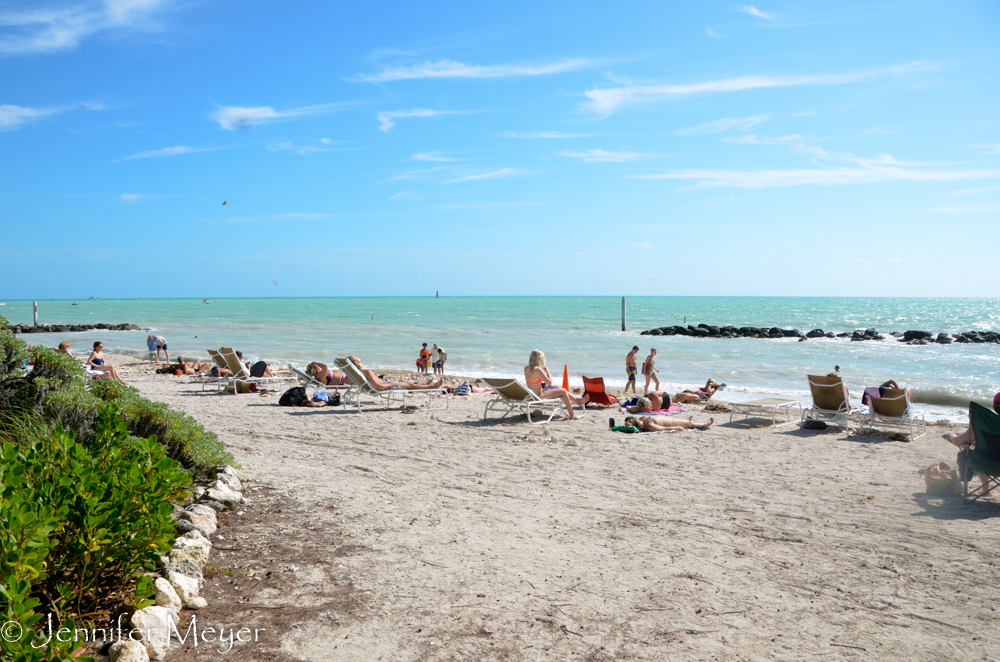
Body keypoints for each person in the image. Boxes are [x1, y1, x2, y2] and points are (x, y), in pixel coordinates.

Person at [943, 392, 1000, 496]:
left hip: (986, 464)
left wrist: (951, 436)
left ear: (994, 406)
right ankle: (985, 489)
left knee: (971, 452)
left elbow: (957, 442)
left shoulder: (982, 426)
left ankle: (985, 489)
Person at [524, 349, 589, 421]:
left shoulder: (526, 368)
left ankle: (573, 397)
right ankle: (572, 414)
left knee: (557, 387)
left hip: (532, 395)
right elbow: (549, 382)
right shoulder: (538, 370)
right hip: (539, 395)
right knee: (563, 391)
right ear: (539, 359)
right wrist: (547, 371)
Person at [348, 356, 443, 390]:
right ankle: (432, 386)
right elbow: (377, 386)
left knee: (408, 383)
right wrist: (390, 384)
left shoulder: (362, 370)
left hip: (386, 383)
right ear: (356, 362)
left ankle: (426, 383)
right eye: (355, 357)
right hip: (387, 385)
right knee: (410, 385)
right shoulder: (366, 371)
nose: (357, 356)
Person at [624, 415, 714, 432]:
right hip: (671, 423)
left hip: (670, 419)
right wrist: (676, 428)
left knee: (685, 421)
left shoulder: (642, 419)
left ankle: (685, 420)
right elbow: (662, 429)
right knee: (690, 424)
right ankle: (704, 424)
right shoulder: (649, 426)